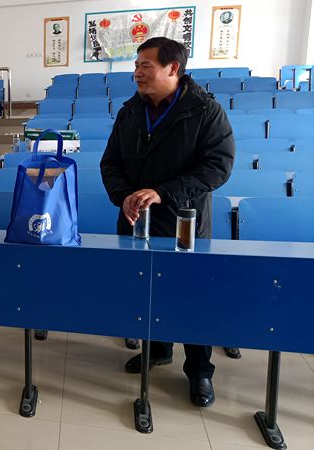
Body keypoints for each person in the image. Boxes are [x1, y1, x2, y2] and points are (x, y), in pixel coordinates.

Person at [100, 37, 235, 407]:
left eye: (145, 66)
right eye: (136, 66)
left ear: (173, 68)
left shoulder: (204, 111)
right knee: (145, 289)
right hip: (135, 219)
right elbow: (110, 163)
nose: (137, 73)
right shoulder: (130, 112)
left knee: (192, 296)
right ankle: (157, 349)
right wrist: (124, 196)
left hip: (184, 222)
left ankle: (199, 370)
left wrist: (162, 193)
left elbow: (218, 166)